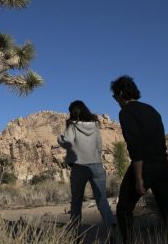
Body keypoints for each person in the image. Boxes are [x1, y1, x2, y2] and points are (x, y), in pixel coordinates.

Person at [110, 75, 168, 243]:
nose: (115, 100)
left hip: (144, 165)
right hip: (163, 165)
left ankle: (129, 241)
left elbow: (135, 146)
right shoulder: (152, 110)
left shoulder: (126, 112)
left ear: (120, 94)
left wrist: (139, 178)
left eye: (114, 96)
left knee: (124, 208)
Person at [58, 100, 116, 236]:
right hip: (97, 166)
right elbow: (99, 146)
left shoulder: (72, 126)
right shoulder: (95, 126)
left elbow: (67, 143)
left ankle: (75, 233)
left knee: (77, 201)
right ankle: (110, 229)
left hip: (80, 167)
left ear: (73, 112)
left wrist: (59, 139)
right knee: (101, 199)